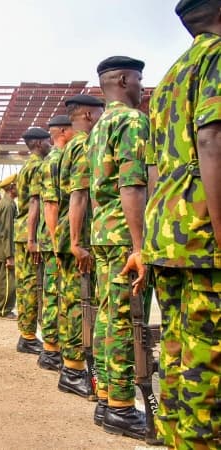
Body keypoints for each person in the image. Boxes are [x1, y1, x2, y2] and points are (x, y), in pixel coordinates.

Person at [140, 2, 221, 447]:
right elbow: (212, 139)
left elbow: (153, 169)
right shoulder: (217, 57)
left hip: (169, 231)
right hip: (205, 234)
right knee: (208, 364)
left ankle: (176, 440)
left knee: (175, 354)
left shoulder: (171, 77)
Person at [87, 56, 149, 440]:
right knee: (125, 317)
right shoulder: (131, 120)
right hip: (125, 234)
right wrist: (140, 245)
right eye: (141, 80)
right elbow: (132, 185)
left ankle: (107, 396)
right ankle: (122, 408)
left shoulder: (97, 129)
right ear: (124, 79)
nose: (143, 87)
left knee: (109, 314)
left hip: (103, 232)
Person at [56, 97, 105, 397]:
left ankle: (71, 367)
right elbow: (79, 194)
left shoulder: (70, 147)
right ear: (88, 114)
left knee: (73, 303)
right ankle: (73, 370)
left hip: (71, 234)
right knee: (79, 305)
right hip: (80, 237)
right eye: (100, 112)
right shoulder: (83, 144)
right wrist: (76, 241)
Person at [36, 115, 72, 373]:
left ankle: (52, 348)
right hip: (57, 239)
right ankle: (51, 350)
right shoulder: (56, 160)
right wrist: (56, 242)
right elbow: (50, 204)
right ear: (62, 131)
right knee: (55, 295)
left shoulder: (56, 159)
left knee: (54, 294)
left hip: (56, 238)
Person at [14, 127, 51, 354]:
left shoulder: (26, 166)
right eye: (48, 140)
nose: (51, 144)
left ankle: (27, 334)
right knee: (30, 285)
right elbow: (35, 203)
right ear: (38, 143)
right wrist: (33, 238)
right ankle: (27, 337)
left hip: (23, 230)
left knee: (27, 283)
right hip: (31, 231)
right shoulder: (37, 166)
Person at [0, 175, 18, 319]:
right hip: (4, 250)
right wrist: (9, 255)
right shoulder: (7, 205)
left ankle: (1, 308)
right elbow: (7, 232)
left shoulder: (7, 203)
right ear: (11, 188)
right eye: (17, 185)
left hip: (1, 249)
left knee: (1, 280)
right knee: (7, 282)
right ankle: (4, 310)